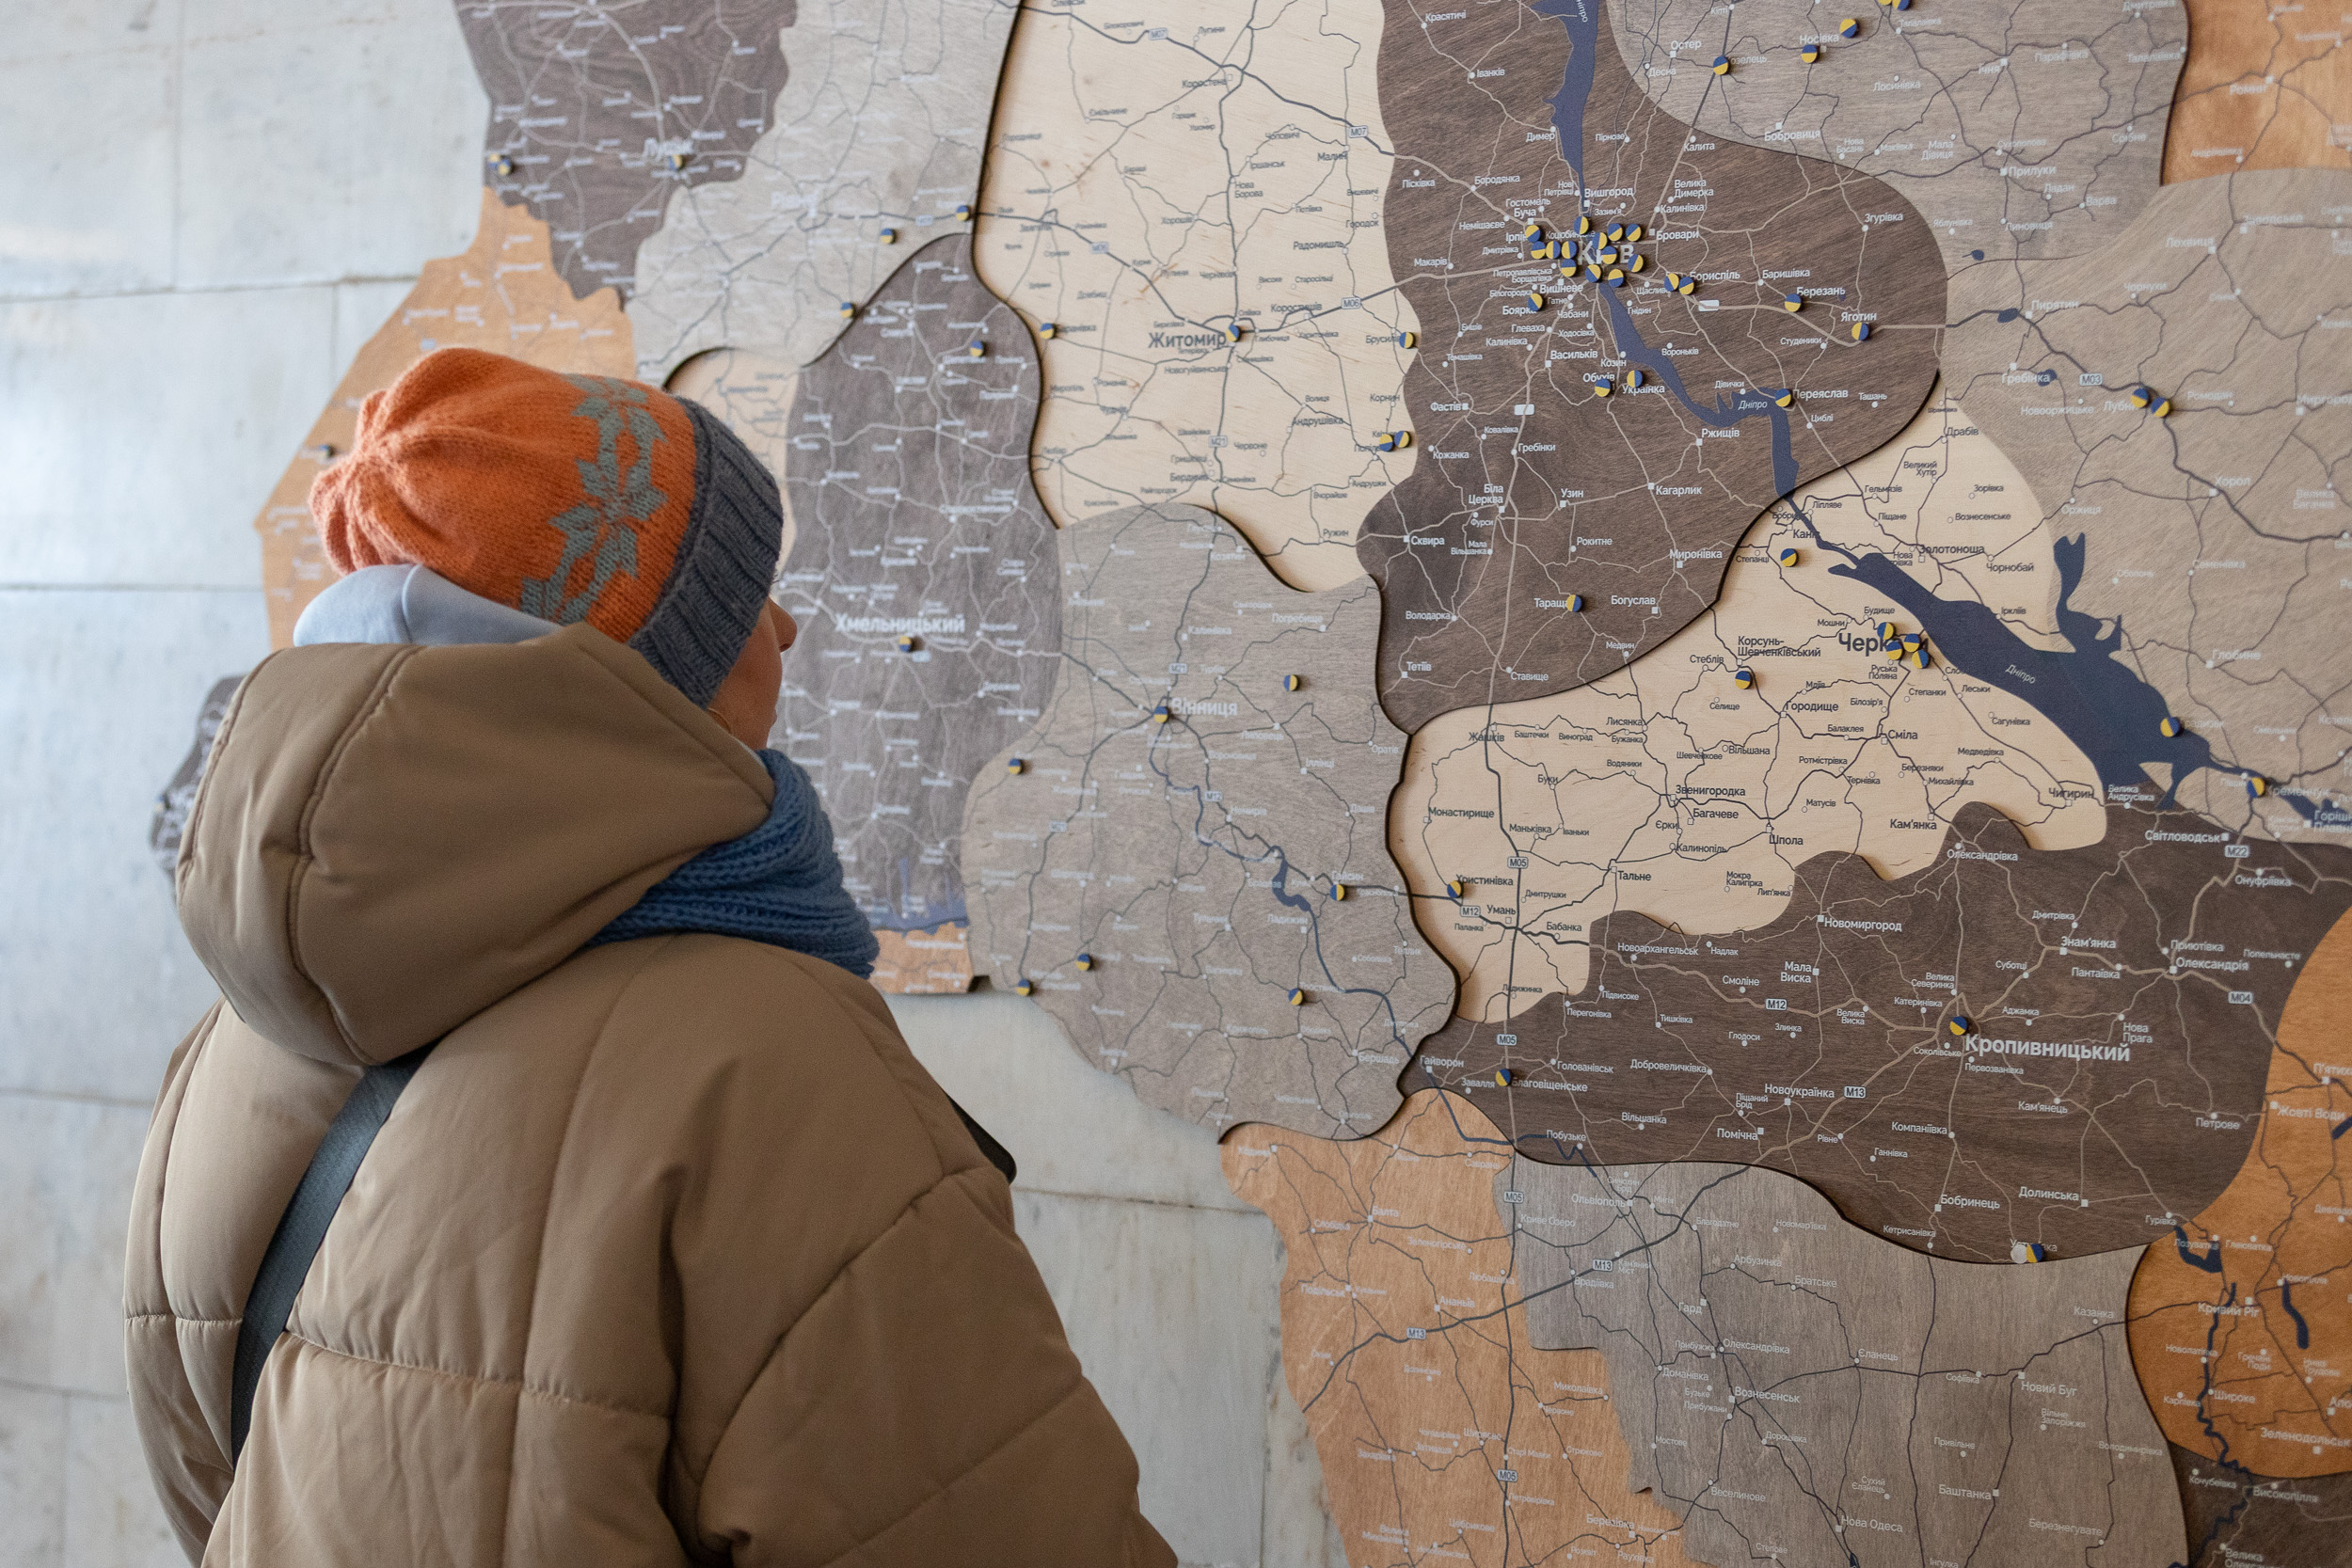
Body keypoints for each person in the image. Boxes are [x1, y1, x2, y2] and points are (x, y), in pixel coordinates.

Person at [123, 347, 1174, 1566]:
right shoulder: (765, 1063)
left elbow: (217, 1496)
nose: (783, 626)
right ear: (641, 687)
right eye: (741, 604)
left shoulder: (234, 1042)